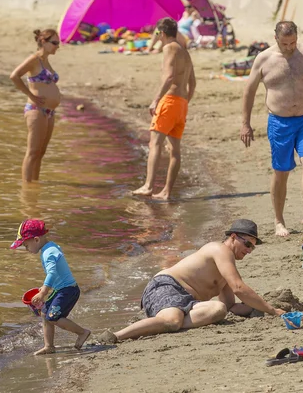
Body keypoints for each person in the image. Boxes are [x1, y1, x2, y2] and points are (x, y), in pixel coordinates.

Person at [98, 220, 287, 343]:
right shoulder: (219, 250)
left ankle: (160, 322)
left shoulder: (225, 269)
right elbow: (239, 287)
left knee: (218, 310)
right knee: (172, 321)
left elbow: (230, 306)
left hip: (188, 303)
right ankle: (114, 336)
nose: (248, 250)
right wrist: (272, 310)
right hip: (166, 286)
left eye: (252, 248)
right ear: (233, 237)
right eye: (247, 244)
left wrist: (261, 310)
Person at [240, 21, 303, 237]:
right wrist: (245, 123)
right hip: (279, 123)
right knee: (281, 172)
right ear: (276, 39)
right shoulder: (264, 59)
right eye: (285, 43)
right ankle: (279, 221)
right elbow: (249, 92)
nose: (290, 47)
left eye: (293, 42)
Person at [132, 18, 197, 201]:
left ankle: (148, 186)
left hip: (169, 101)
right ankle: (167, 192)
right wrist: (184, 102)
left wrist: (156, 100)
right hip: (182, 104)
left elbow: (168, 77)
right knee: (175, 150)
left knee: (155, 143)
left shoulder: (169, 48)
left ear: (161, 33)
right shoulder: (185, 52)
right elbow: (193, 83)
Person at [10, 219, 91, 355]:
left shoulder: (48, 253)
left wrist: (43, 292)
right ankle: (49, 346)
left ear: (36, 240)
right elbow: (55, 273)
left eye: (26, 245)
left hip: (68, 291)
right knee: (44, 313)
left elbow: (52, 273)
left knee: (53, 317)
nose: (26, 249)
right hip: (61, 289)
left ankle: (83, 332)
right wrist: (44, 287)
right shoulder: (49, 247)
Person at [10, 29, 62, 183]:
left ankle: (35, 183)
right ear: (43, 42)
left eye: (58, 43)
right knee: (32, 152)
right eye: (54, 43)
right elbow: (14, 76)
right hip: (36, 110)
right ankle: (27, 191)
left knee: (41, 152)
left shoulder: (46, 61)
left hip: (49, 111)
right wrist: (30, 95)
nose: (57, 46)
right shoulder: (34, 59)